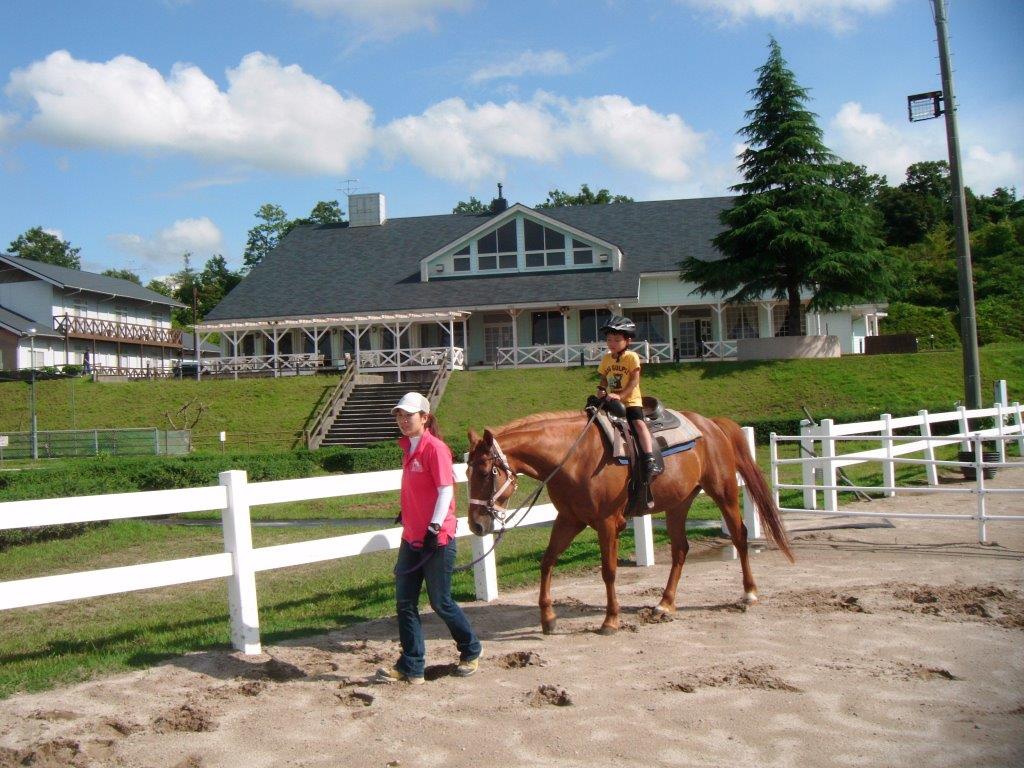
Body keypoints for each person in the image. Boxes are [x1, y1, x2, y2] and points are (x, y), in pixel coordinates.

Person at [375, 391, 481, 685]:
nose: (403, 420)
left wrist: (434, 526)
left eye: (408, 415)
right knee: (404, 602)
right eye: (399, 415)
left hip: (437, 540)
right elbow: (421, 490)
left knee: (441, 601)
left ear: (425, 417)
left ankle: (471, 650)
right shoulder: (409, 448)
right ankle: (412, 665)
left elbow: (445, 489)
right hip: (412, 538)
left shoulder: (436, 449)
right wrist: (407, 511)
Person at [595, 316, 659, 484]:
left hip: (631, 400)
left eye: (617, 340)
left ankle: (648, 458)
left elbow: (634, 381)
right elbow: (603, 378)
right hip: (612, 400)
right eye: (609, 340)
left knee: (638, 424)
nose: (612, 343)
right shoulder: (606, 358)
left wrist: (621, 396)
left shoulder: (632, 357)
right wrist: (601, 389)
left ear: (627, 340)